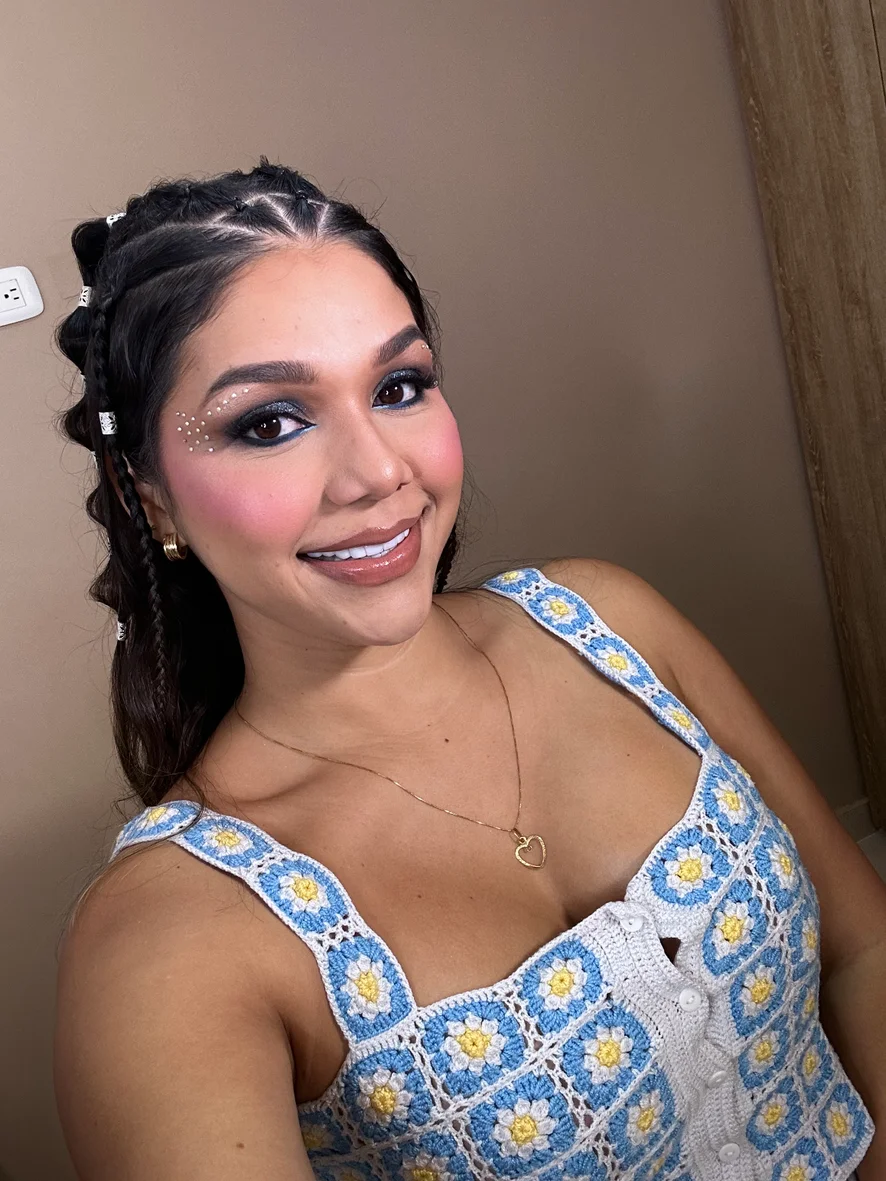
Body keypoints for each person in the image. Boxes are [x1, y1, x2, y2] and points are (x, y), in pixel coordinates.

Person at [53, 159, 884, 1181]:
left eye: (398, 387)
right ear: (150, 497)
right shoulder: (166, 939)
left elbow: (863, 948)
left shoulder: (609, 620)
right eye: (269, 421)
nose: (379, 471)